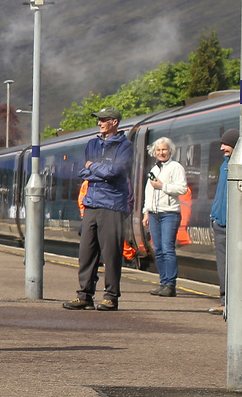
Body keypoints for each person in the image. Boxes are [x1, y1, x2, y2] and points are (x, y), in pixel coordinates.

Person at [64, 107, 133, 312]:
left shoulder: (125, 146)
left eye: (103, 120)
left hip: (112, 205)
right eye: (99, 120)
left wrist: (93, 167)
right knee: (86, 253)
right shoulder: (92, 143)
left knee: (111, 254)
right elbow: (82, 171)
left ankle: (111, 297)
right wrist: (98, 170)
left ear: (115, 122)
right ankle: (84, 295)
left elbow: (116, 172)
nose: (99, 123)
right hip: (91, 203)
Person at [141, 136, 187, 297]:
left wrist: (163, 186)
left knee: (168, 249)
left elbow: (182, 188)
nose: (161, 152)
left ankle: (170, 284)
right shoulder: (154, 170)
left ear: (170, 151)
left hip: (169, 213)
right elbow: (149, 192)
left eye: (164, 150)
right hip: (154, 214)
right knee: (158, 249)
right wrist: (146, 212)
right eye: (158, 150)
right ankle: (163, 282)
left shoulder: (176, 167)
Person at [210, 128, 237, 317]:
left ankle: (234, 303)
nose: (221, 148)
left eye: (225, 144)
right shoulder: (224, 165)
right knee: (223, 266)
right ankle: (225, 300)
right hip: (220, 223)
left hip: (235, 225)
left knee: (236, 266)